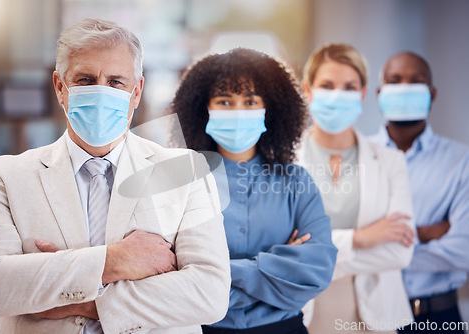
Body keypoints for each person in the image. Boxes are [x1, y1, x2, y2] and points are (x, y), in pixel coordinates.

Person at [0, 18, 231, 334]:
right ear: (60, 88)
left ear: (136, 92)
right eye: (85, 79)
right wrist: (115, 261)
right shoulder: (4, 176)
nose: (101, 91)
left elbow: (210, 294)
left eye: (116, 82)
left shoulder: (185, 171)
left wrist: (78, 298)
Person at [171, 47, 337, 334]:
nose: (238, 112)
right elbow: (166, 277)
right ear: (203, 109)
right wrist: (277, 266)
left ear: (269, 108)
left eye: (250, 101)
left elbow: (316, 270)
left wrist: (215, 272)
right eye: (224, 101)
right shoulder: (182, 182)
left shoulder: (297, 182)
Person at [296, 43, 416, 333]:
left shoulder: (390, 161)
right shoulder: (285, 159)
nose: (338, 95)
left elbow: (400, 253)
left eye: (349, 87)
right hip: (305, 313)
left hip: (376, 317)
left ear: (363, 94)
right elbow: (283, 251)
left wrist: (315, 253)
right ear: (307, 90)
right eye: (327, 85)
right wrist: (362, 239)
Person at [372, 51, 469, 334]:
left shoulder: (462, 161)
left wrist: (377, 244)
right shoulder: (358, 156)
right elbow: (343, 246)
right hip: (370, 314)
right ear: (380, 92)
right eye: (395, 80)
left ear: (432, 93)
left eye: (416, 81)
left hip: (439, 319)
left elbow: (462, 251)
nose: (404, 88)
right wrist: (424, 234)